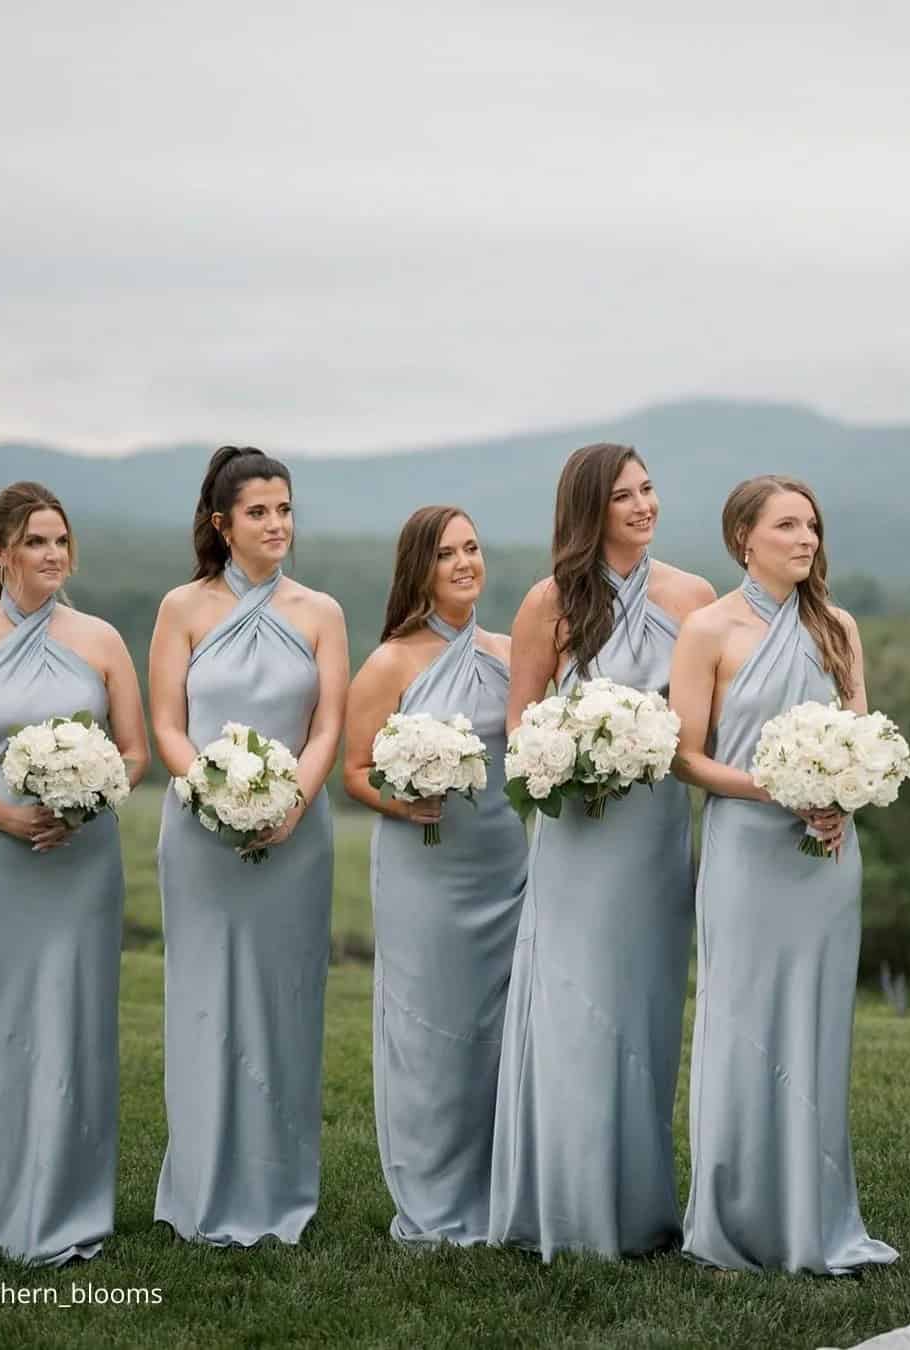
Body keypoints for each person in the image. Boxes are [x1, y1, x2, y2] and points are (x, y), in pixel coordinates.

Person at [0, 481, 149, 1265]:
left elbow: (137, 750)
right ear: (2, 551)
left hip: (80, 864)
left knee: (73, 1026)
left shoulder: (103, 640)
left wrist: (94, 796)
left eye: (61, 541)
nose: (52, 555)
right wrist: (3, 816)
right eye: (36, 542)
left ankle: (69, 1197)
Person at [488, 443, 714, 1260]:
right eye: (625, 496)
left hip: (656, 828)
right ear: (592, 510)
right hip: (578, 830)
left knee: (645, 1010)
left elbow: (706, 720)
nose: (645, 506)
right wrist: (572, 750)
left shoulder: (693, 596)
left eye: (650, 489)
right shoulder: (548, 601)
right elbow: (518, 725)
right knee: (577, 1007)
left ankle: (642, 1208)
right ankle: (570, 1205)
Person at [669, 474, 898, 1274]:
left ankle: (816, 1213)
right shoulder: (706, 630)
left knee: (816, 1026)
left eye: (813, 527)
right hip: (745, 851)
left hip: (827, 858)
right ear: (745, 538)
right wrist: (774, 787)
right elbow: (683, 755)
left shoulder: (837, 625)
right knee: (740, 1021)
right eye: (789, 526)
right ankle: (734, 1218)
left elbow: (861, 733)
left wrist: (842, 799)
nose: (807, 540)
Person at [150, 445, 348, 1246]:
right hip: (199, 833)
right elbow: (166, 723)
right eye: (259, 512)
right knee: (204, 1004)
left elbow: (329, 724)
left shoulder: (321, 612)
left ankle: (279, 1193)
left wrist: (292, 801)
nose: (276, 525)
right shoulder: (182, 608)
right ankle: (201, 1188)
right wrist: (211, 792)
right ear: (221, 523)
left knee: (285, 1005)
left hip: (299, 834)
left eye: (285, 509)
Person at [343, 506, 527, 1245]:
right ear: (419, 568)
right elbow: (352, 771)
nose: (464, 563)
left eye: (473, 548)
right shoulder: (392, 661)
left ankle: (501, 1185)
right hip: (424, 869)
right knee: (430, 1033)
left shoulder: (513, 652)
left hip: (505, 862)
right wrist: (401, 800)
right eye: (447, 553)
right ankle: (430, 1197)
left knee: (498, 1032)